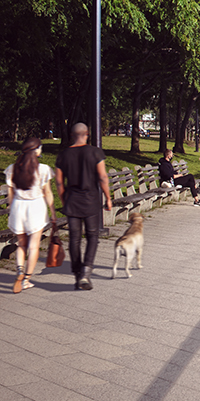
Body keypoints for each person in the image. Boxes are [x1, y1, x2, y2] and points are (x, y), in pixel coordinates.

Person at [55, 123, 112, 290]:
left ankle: (77, 272)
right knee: (92, 236)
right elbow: (102, 177)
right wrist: (108, 197)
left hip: (72, 200)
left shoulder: (63, 155)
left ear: (72, 135)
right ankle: (86, 272)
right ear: (87, 134)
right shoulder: (95, 152)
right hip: (91, 200)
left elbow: (59, 182)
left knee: (74, 238)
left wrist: (63, 199)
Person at [4, 137, 56, 293]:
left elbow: (10, 195)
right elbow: (47, 192)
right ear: (36, 150)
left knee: (21, 244)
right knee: (33, 247)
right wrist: (52, 211)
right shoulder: (43, 169)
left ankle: (19, 270)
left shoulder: (12, 169)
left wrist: (12, 211)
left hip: (18, 208)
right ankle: (26, 279)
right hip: (36, 209)